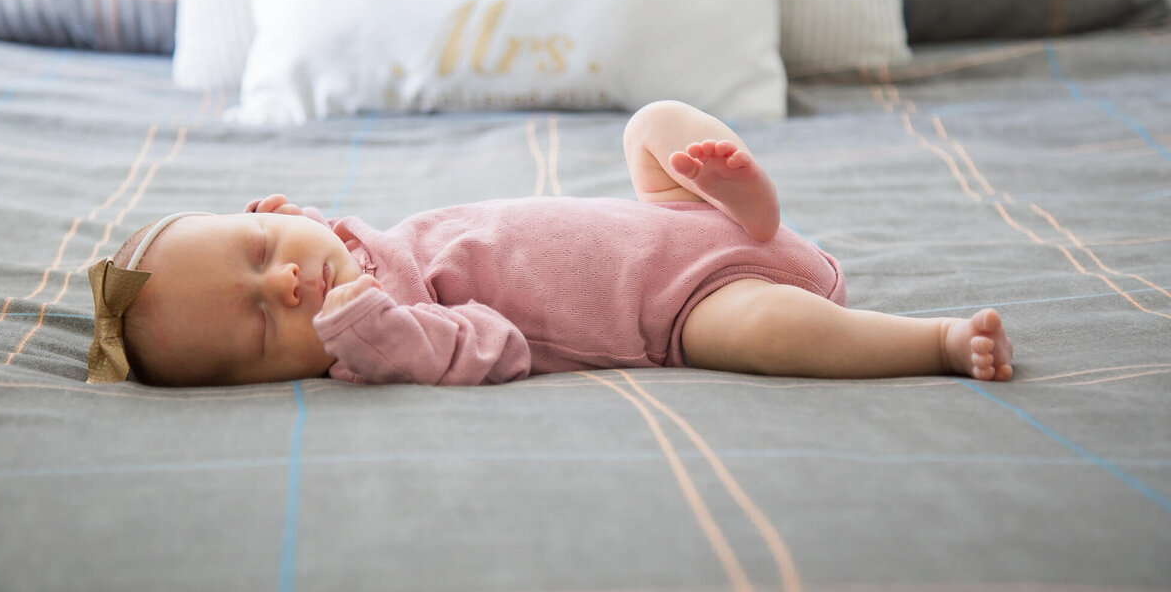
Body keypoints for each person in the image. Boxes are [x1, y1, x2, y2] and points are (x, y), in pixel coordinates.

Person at [86, 100, 1014, 387]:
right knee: (757, 335)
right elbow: (499, 346)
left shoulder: (369, 238)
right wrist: (380, 335)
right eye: (258, 327)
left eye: (259, 253)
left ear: (275, 205)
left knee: (650, 126)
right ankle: (925, 341)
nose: (285, 286)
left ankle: (739, 197)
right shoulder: (379, 339)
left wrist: (705, 210)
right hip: (679, 309)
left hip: (673, 224)